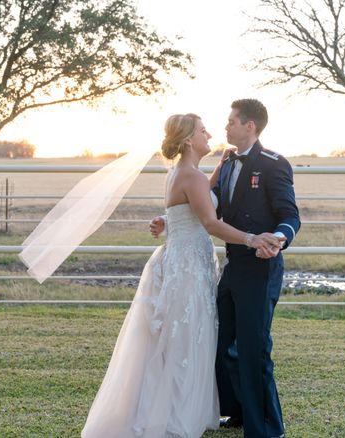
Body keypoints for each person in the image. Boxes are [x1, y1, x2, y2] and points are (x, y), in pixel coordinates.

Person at [82, 113, 282, 438]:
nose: (210, 134)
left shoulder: (185, 173)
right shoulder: (191, 177)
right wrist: (252, 238)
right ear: (189, 140)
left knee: (186, 336)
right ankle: (176, 412)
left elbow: (194, 200)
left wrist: (169, 216)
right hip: (187, 268)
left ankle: (182, 406)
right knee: (186, 339)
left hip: (184, 262)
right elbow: (211, 223)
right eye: (203, 131)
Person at [151, 99, 300, 438]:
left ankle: (266, 427)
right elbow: (201, 202)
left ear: (250, 126)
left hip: (260, 266)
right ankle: (235, 410)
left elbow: (291, 216)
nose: (225, 127)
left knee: (254, 346)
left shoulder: (274, 165)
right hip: (232, 265)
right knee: (221, 343)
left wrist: (275, 239)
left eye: (231, 121)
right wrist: (168, 217)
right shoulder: (228, 162)